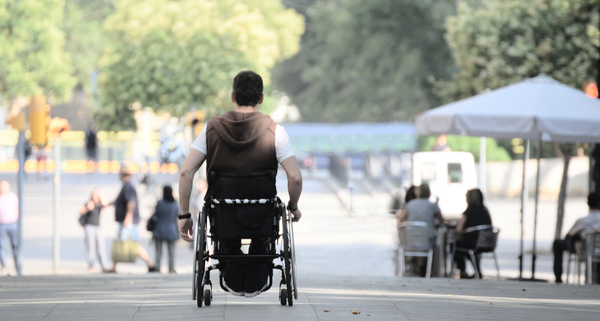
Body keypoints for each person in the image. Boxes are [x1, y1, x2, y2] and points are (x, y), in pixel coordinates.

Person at [178, 70, 303, 298]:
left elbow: (186, 172)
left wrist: (184, 215)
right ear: (261, 98)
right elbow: (295, 177)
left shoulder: (211, 130)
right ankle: (259, 257)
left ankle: (230, 261)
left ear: (233, 96)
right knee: (263, 231)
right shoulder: (276, 132)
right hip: (262, 212)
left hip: (223, 213)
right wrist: (293, 206)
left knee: (226, 232)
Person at [107, 165, 157, 273]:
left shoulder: (128, 186)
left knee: (130, 243)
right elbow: (119, 200)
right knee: (122, 242)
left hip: (128, 221)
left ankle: (150, 264)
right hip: (128, 221)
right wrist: (107, 204)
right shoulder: (127, 185)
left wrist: (128, 217)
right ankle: (114, 266)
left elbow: (131, 202)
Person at [553, 192, 600, 284]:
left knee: (557, 243)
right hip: (598, 249)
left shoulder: (583, 220)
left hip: (583, 249)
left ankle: (558, 278)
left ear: (588, 203)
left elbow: (568, 236)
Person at [399, 184, 444, 276]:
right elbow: (441, 220)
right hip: (427, 240)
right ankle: (430, 270)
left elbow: (400, 219)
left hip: (411, 239)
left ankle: (413, 267)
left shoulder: (410, 205)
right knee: (436, 243)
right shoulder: (433, 206)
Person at [454, 188, 492, 279]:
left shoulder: (469, 211)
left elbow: (458, 229)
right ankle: (477, 270)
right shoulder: (485, 210)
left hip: (472, 243)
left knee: (455, 246)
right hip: (486, 243)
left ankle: (462, 271)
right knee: (469, 249)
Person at [79, 188, 110, 273]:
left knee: (101, 246)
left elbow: (106, 205)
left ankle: (103, 265)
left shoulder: (99, 204)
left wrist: (101, 195)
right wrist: (88, 208)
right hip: (89, 226)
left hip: (98, 227)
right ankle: (91, 265)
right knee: (90, 246)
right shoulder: (89, 203)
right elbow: (80, 210)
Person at [152, 186, 179, 273]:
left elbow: (156, 214)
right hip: (171, 230)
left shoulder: (160, 203)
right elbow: (177, 219)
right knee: (171, 254)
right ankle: (171, 270)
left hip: (159, 230)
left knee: (158, 253)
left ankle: (157, 269)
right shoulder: (175, 204)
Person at [0, 180, 19, 274]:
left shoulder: (12, 197)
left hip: (12, 224)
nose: (2, 189)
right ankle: (3, 265)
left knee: (15, 244)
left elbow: (17, 208)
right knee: (1, 246)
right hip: (2, 225)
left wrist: (15, 218)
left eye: (4, 187)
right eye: (1, 188)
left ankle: (17, 264)